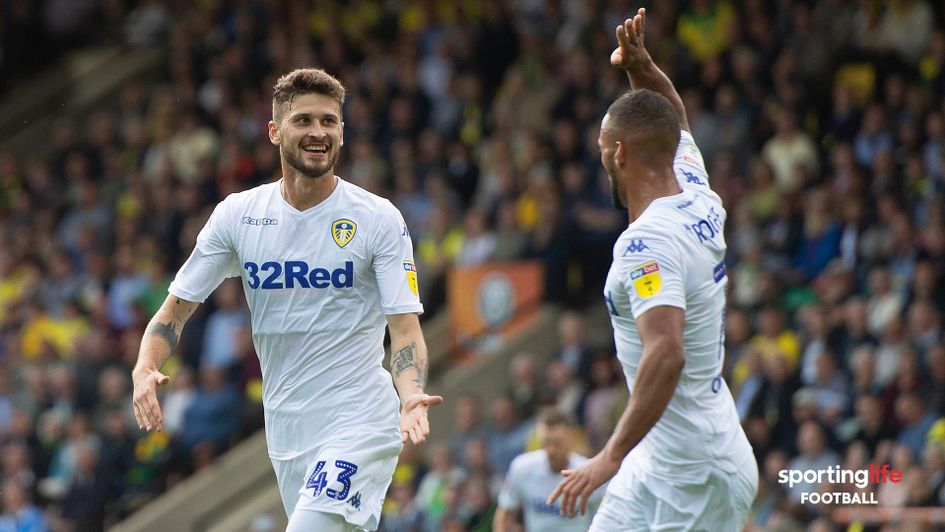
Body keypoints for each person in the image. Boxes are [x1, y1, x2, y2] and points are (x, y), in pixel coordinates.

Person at [131, 68, 443, 532]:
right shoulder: (239, 216)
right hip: (286, 432)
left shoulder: (377, 219)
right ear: (275, 131)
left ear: (342, 131)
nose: (318, 132)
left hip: (361, 419)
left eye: (329, 121)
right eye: (303, 120)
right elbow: (174, 312)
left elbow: (404, 330)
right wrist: (144, 367)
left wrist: (412, 392)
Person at [548, 9, 758, 530]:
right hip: (658, 460)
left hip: (693, 477)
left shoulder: (645, 244)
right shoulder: (697, 191)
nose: (600, 162)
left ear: (619, 154)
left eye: (601, 152)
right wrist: (641, 67)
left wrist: (609, 455)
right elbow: (674, 119)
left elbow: (667, 352)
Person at [493, 408, 604, 532]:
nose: (551, 450)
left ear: (571, 439)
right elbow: (506, 511)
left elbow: (604, 520)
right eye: (546, 442)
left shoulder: (588, 472)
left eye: (557, 443)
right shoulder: (522, 468)